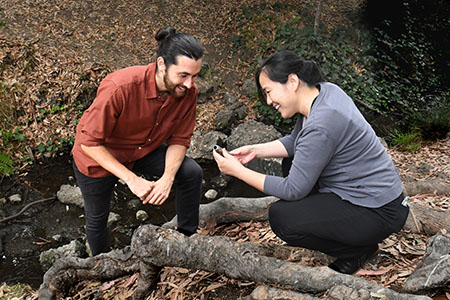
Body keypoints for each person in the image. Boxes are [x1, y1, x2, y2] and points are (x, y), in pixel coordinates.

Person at [213, 50, 409, 274]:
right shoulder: (325, 92)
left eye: (268, 91)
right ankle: (347, 235)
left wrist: (237, 171)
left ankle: (357, 250)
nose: (268, 101)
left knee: (282, 218)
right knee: (290, 163)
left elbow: (293, 189)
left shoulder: (322, 122)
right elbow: (297, 142)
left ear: (293, 81)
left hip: (377, 210)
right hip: (372, 196)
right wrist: (254, 151)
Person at [72, 26, 204, 256]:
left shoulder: (187, 92)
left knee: (191, 172)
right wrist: (132, 180)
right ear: (162, 64)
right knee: (97, 219)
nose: (190, 84)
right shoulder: (119, 87)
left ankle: (186, 241)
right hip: (99, 157)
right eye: (183, 75)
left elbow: (179, 139)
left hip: (143, 150)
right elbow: (89, 142)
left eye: (194, 76)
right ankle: (103, 268)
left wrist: (167, 179)